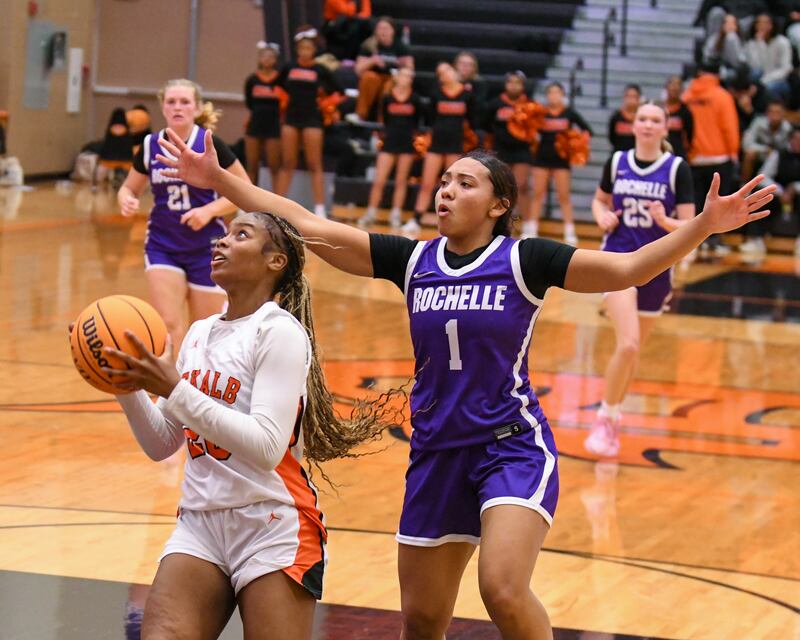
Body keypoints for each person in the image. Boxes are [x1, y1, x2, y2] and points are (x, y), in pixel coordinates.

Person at [156, 123, 773, 640]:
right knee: (421, 621)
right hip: (435, 450)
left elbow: (626, 268)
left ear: (498, 204)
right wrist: (222, 182)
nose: (446, 190)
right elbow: (303, 223)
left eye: (465, 183)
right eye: (445, 180)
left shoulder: (525, 259)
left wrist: (702, 227)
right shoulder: (414, 260)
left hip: (509, 444)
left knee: (502, 587)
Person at [99, 210, 396, 640]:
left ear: (275, 261)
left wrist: (176, 389)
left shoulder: (279, 333)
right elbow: (163, 442)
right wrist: (124, 385)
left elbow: (267, 446)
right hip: (200, 523)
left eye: (240, 234)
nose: (220, 242)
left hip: (270, 524)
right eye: (223, 234)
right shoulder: (200, 333)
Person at [585, 102, 696, 457]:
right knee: (629, 344)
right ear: (633, 126)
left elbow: (691, 226)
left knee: (632, 352)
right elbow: (599, 202)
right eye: (642, 119)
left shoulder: (677, 168)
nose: (648, 125)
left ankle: (613, 418)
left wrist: (666, 222)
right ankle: (603, 419)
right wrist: (602, 216)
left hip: (658, 266)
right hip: (618, 261)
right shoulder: (617, 162)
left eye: (655, 120)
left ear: (665, 129)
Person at [117, 78, 250, 348]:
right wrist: (126, 199)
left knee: (206, 332)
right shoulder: (149, 145)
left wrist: (209, 210)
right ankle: (170, 389)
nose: (178, 107)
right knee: (167, 323)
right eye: (171, 102)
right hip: (162, 243)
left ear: (197, 107)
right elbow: (128, 188)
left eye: (185, 102)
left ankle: (200, 388)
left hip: (207, 247)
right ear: (163, 108)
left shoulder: (210, 144)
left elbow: (244, 189)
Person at [275, 27, 343, 219]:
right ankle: (275, 207)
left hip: (312, 119)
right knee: (287, 163)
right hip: (291, 118)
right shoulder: (289, 67)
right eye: (302, 47)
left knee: (315, 164)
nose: (305, 51)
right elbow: (277, 87)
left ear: (314, 50)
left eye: (308, 48)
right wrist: (283, 101)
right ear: (298, 49)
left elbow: (339, 92)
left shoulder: (320, 70)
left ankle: (320, 208)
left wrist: (325, 104)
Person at [406, 62, 476, 234]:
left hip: (455, 145)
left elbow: (474, 118)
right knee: (427, 183)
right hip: (437, 144)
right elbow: (430, 117)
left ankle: (455, 221)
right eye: (440, 73)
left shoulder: (467, 94)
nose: (444, 75)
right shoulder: (436, 93)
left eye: (447, 71)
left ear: (454, 71)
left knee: (454, 187)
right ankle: (416, 219)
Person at [682, 60, 740, 255]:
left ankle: (694, 241)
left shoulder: (688, 95)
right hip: (719, 157)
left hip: (694, 157)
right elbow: (729, 127)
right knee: (718, 202)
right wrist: (734, 151)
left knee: (697, 200)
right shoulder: (722, 96)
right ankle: (714, 239)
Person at [524, 81, 593, 245]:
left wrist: (575, 144)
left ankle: (569, 231)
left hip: (561, 160)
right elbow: (529, 130)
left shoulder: (569, 113)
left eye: (557, 93)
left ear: (563, 95)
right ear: (547, 95)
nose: (553, 96)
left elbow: (587, 130)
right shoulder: (541, 113)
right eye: (550, 93)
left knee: (564, 196)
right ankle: (532, 229)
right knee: (538, 194)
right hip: (541, 158)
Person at [358, 67, 421, 228]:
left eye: (409, 76)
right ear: (397, 78)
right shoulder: (387, 98)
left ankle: (396, 214)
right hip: (389, 142)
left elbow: (417, 121)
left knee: (401, 181)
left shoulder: (415, 98)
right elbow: (384, 120)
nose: (407, 78)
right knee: (379, 180)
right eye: (404, 75)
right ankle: (370, 212)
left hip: (406, 142)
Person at [742, 125, 800, 255]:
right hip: (778, 193)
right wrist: (779, 191)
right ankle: (754, 239)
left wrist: (794, 188)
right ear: (790, 140)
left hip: (797, 195)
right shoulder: (779, 153)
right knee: (760, 192)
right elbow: (763, 176)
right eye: (796, 139)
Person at [485, 70, 533, 220]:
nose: (513, 86)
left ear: (523, 86)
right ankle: (501, 221)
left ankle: (528, 224)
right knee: (501, 187)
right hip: (501, 150)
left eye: (517, 83)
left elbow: (535, 126)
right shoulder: (495, 103)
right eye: (510, 82)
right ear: (505, 84)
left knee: (521, 186)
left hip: (522, 150)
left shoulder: (530, 105)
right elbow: (485, 124)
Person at [352, 17, 414, 122]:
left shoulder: (401, 47)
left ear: (392, 31)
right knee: (369, 78)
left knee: (389, 86)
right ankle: (360, 115)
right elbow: (358, 70)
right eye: (379, 29)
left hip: (392, 78)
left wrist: (402, 67)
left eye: (386, 28)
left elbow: (410, 71)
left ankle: (383, 120)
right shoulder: (368, 45)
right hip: (374, 77)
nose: (382, 32)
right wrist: (372, 61)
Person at [244, 41, 285, 187]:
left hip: (273, 126)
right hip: (255, 125)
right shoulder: (252, 80)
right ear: (259, 58)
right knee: (252, 165)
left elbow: (285, 102)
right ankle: (247, 201)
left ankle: (277, 203)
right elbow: (249, 103)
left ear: (275, 60)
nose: (267, 59)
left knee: (274, 165)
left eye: (271, 57)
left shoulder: (281, 80)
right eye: (264, 56)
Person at [740, 99, 792, 183]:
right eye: (772, 112)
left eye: (778, 112)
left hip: (778, 157)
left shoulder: (787, 128)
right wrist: (765, 149)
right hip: (761, 153)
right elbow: (746, 144)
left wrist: (775, 153)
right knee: (750, 154)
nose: (775, 116)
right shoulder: (758, 123)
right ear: (767, 113)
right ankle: (744, 186)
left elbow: (789, 148)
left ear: (783, 113)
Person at [744, 13, 794, 100]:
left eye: (766, 23)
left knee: (768, 88)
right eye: (759, 23)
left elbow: (786, 68)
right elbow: (755, 66)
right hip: (760, 78)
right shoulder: (752, 43)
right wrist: (759, 44)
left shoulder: (782, 42)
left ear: (772, 24)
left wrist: (765, 80)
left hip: (779, 80)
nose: (762, 26)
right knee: (753, 75)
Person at [702, 13, 747, 82]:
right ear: (722, 26)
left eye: (733, 23)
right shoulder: (714, 39)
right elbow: (707, 56)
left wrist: (733, 41)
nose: (730, 26)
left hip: (736, 70)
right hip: (717, 68)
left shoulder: (740, 40)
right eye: (727, 23)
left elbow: (741, 61)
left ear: (737, 26)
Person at [664, 76, 694, 159]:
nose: (674, 89)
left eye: (677, 87)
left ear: (681, 90)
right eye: (672, 86)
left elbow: (690, 136)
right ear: (666, 88)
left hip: (679, 155)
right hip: (661, 154)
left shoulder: (686, 112)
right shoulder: (659, 109)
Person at [607, 83, 641, 152]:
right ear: (624, 97)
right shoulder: (616, 117)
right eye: (628, 96)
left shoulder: (642, 118)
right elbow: (612, 137)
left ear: (639, 98)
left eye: (634, 96)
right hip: (619, 153)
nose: (631, 100)